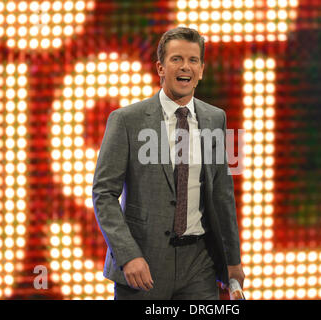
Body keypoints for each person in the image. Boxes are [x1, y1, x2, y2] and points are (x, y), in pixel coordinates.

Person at [92, 27, 244, 300]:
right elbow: (103, 194)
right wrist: (128, 256)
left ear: (201, 70)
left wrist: (232, 259)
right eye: (176, 59)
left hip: (200, 263)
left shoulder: (215, 118)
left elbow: (222, 194)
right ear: (161, 68)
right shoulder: (127, 120)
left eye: (193, 60)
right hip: (144, 265)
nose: (185, 66)